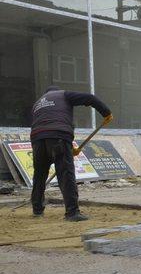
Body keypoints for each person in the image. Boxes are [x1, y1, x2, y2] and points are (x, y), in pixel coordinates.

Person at [30, 86, 112, 221]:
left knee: (39, 175)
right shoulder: (63, 95)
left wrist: (70, 145)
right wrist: (106, 112)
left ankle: (37, 209)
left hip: (38, 139)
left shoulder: (38, 103)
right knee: (66, 173)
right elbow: (90, 98)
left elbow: (49, 122)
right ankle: (72, 213)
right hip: (58, 136)